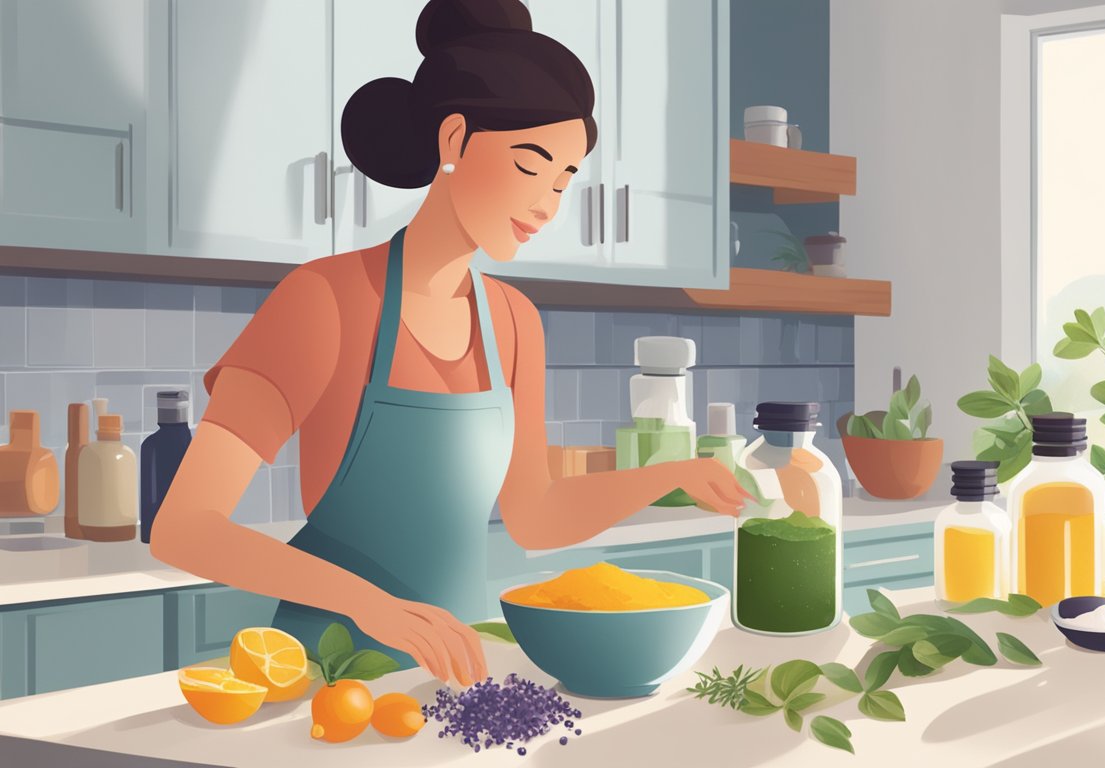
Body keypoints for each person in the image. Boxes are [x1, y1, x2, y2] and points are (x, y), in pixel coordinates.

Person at [149, 0, 749, 689]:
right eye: (531, 166)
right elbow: (186, 527)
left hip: (463, 671)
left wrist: (668, 475)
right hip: (333, 671)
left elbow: (536, 516)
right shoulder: (324, 301)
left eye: (564, 180)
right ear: (456, 139)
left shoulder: (515, 320)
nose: (548, 206)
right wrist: (372, 607)